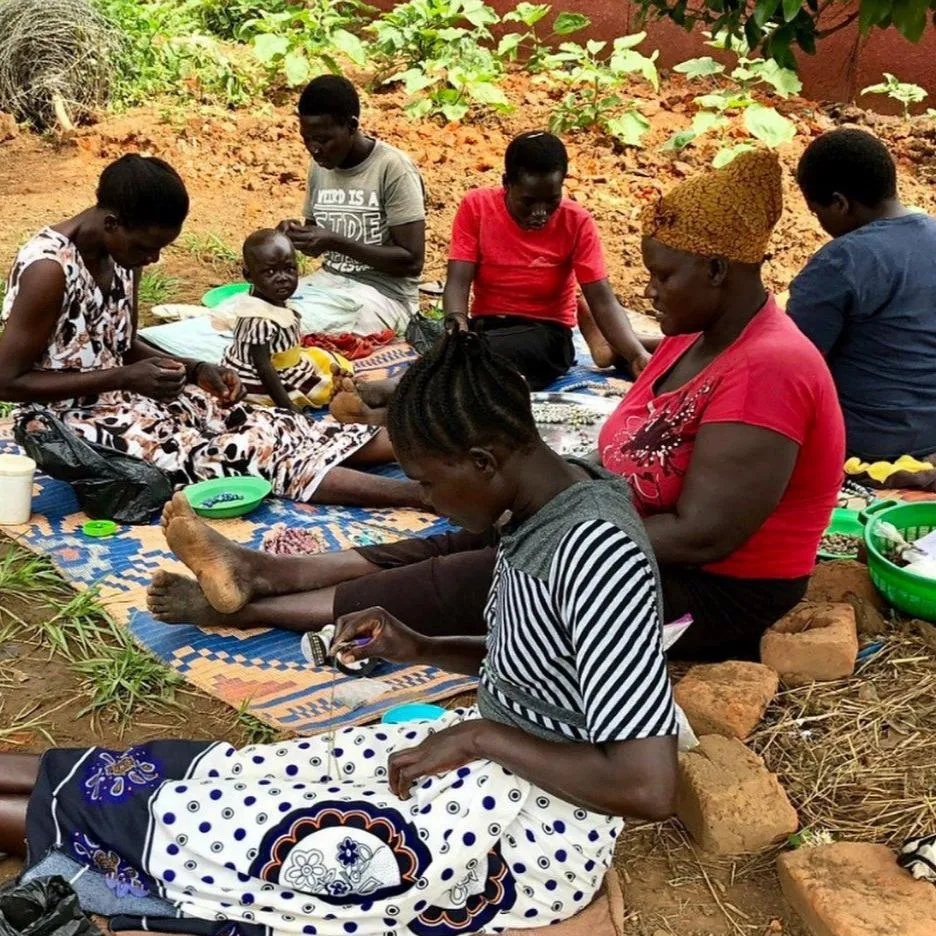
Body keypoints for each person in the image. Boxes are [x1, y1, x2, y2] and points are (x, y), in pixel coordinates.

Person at [10, 329, 678, 936]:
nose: (427, 503)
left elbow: (647, 786)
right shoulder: (539, 511)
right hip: (488, 767)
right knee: (238, 777)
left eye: (426, 484)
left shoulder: (599, 553)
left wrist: (477, 735)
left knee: (221, 834)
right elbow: (539, 676)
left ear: (481, 461)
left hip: (525, 836)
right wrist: (417, 647)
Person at [148, 151, 845, 663]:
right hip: (631, 537)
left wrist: (551, 537)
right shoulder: (688, 343)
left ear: (720, 271)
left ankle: (250, 608)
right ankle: (260, 569)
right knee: (465, 536)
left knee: (481, 573)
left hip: (710, 592)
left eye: (663, 275)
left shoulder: (769, 370)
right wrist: (541, 510)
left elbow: (703, 536)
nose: (651, 289)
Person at [0, 155, 424, 509]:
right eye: (147, 247)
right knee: (240, 453)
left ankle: (440, 454)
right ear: (112, 224)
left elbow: (123, 344)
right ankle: (420, 496)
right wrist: (123, 378)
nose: (153, 258)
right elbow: (8, 381)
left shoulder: (121, 256)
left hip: (123, 398)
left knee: (268, 422)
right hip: (63, 420)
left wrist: (196, 369)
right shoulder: (48, 270)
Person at [443, 131, 650, 390]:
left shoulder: (576, 221)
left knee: (472, 363)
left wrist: (636, 355)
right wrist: (458, 330)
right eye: (528, 202)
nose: (540, 213)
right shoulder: (477, 206)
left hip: (546, 335)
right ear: (507, 182)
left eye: (551, 200)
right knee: (454, 356)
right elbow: (458, 283)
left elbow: (602, 299)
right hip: (487, 328)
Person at [788, 128, 936, 463]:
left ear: (840, 204)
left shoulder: (843, 262)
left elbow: (789, 363)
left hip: (872, 446)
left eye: (817, 211)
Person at [278, 75, 426, 337]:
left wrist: (337, 242)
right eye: (307, 139)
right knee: (256, 313)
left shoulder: (392, 168)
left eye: (323, 139)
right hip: (330, 283)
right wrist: (295, 235)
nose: (314, 149)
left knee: (289, 329)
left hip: (385, 296)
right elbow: (316, 239)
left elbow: (412, 261)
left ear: (351, 125)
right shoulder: (320, 166)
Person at [220, 230, 352, 410]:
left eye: (289, 269)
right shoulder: (259, 320)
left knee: (322, 357)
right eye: (270, 271)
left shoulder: (272, 298)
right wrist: (287, 406)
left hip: (285, 360)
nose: (282, 278)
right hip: (264, 378)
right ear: (248, 275)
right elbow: (263, 367)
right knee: (324, 389)